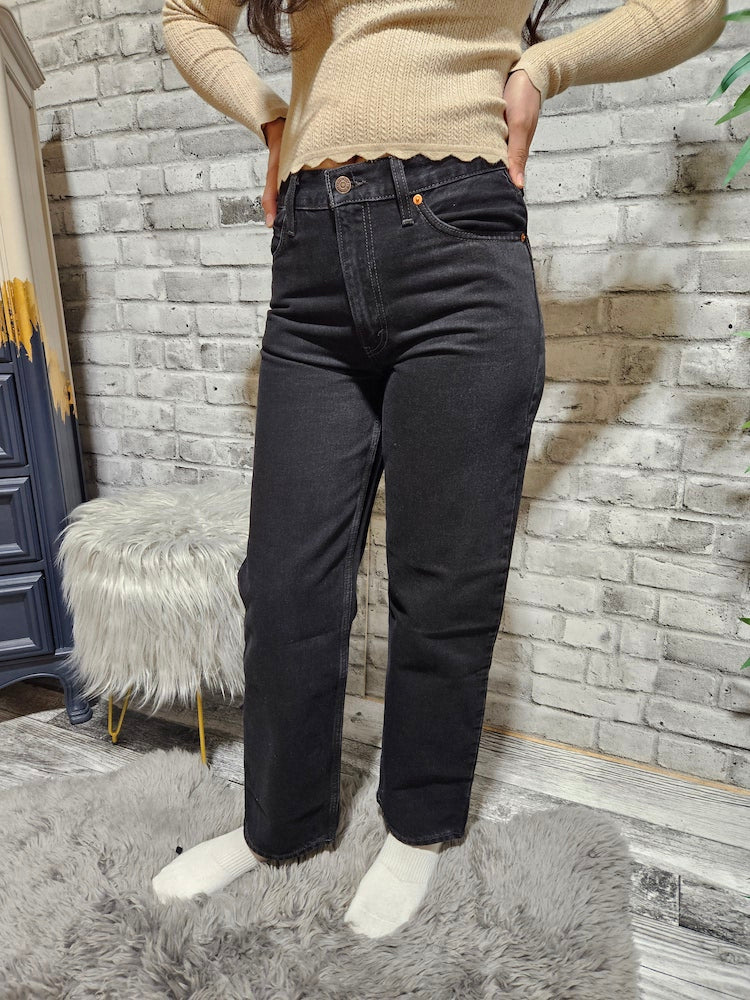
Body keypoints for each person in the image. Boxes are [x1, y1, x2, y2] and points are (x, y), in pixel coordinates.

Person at [152, 0, 727, 939]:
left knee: (444, 579)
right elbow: (184, 15)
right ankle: (278, 826)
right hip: (310, 262)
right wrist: (269, 113)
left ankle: (419, 825)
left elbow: (696, 9)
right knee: (288, 584)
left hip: (459, 244)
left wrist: (545, 68)